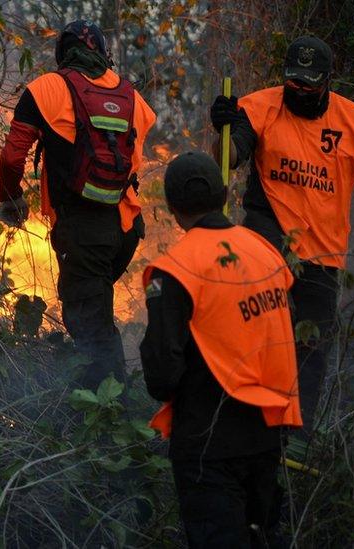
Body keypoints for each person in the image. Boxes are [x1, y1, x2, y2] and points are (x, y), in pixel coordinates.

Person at [209, 35, 354, 430]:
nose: (299, 90)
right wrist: (224, 130)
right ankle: (242, 425)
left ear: (327, 80)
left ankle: (296, 437)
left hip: (322, 257)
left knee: (311, 352)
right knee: (256, 335)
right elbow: (228, 159)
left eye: (309, 83)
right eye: (293, 81)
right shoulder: (260, 107)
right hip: (268, 241)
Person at [140, 151, 302, 548]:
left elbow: (162, 376)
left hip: (209, 444)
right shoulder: (266, 252)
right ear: (225, 194)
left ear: (172, 208)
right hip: (267, 432)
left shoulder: (175, 270)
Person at [0, 20, 156, 388]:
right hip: (126, 230)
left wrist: (11, 197)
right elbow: (133, 166)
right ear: (103, 54)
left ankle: (113, 415)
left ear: (61, 53)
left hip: (84, 232)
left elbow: (11, 158)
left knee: (91, 328)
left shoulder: (46, 89)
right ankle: (105, 396)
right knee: (93, 309)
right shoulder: (133, 98)